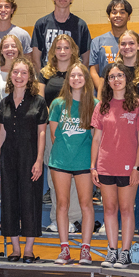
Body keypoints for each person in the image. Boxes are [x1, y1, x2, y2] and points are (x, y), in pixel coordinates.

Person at [91, 64, 139, 269]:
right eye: (111, 76)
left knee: (126, 209)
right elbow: (96, 139)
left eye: (120, 75)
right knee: (109, 208)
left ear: (127, 79)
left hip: (128, 166)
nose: (116, 79)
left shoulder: (137, 105)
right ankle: (112, 251)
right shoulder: (102, 105)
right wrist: (93, 166)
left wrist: (136, 167)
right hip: (105, 165)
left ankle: (125, 252)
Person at [0, 58, 47, 262]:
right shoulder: (4, 102)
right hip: (8, 157)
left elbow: (42, 133)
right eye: (16, 72)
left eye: (24, 73)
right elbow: (2, 133)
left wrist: (39, 160)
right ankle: (15, 249)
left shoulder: (38, 101)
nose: (19, 76)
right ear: (11, 76)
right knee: (9, 200)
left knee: (30, 200)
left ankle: (28, 250)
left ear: (30, 77)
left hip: (30, 156)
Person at [48, 63, 98, 264]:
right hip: (60, 160)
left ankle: (85, 249)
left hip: (84, 161)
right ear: (68, 79)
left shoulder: (94, 104)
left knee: (86, 204)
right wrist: (66, 152)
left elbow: (96, 136)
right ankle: (64, 249)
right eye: (72, 75)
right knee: (62, 204)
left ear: (86, 79)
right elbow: (54, 135)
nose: (76, 79)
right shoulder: (58, 104)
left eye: (80, 75)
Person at [110, 30, 139, 237]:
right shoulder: (112, 69)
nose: (127, 47)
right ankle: (118, 221)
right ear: (119, 46)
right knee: (118, 177)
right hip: (118, 130)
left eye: (131, 43)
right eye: (123, 43)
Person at [39, 34, 84, 232]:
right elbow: (41, 101)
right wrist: (54, 123)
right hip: (53, 128)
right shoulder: (45, 74)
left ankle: (73, 218)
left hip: (76, 129)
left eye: (67, 47)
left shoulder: (79, 72)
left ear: (73, 50)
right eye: (59, 48)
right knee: (55, 175)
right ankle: (57, 218)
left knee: (75, 175)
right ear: (53, 51)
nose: (63, 51)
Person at [88, 0, 139, 88]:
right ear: (108, 17)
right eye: (114, 12)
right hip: (106, 95)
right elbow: (93, 71)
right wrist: (105, 92)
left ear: (129, 17)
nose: (118, 15)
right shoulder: (97, 41)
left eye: (122, 12)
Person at [31, 0, 92, 70]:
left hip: (72, 78)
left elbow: (86, 59)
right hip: (48, 78)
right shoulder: (41, 24)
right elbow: (36, 58)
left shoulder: (80, 25)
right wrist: (42, 79)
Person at [0, 35, 23, 104]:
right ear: (1, 51)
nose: (10, 49)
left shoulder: (27, 73)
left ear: (19, 50)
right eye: (6, 46)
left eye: (13, 46)